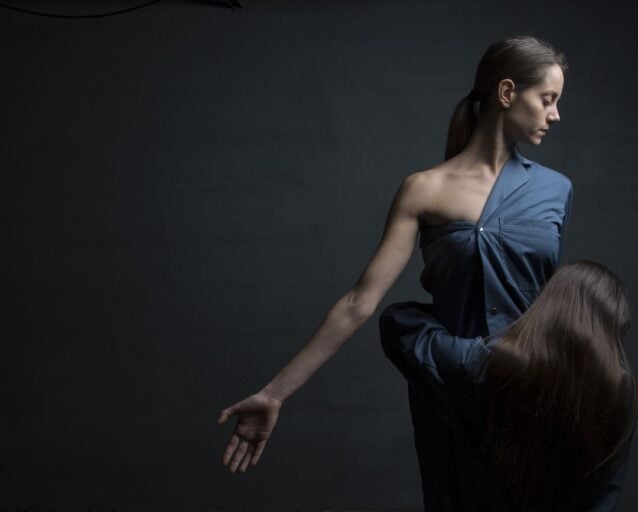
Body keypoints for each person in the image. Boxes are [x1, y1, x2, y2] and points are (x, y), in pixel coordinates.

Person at [217, 34, 589, 508]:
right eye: (548, 100)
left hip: (530, 386)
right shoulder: (423, 190)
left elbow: (548, 301)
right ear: (507, 93)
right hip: (452, 388)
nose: (555, 115)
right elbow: (359, 302)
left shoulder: (557, 190)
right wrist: (274, 395)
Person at [379, 260, 638, 511]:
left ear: (548, 305)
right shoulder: (620, 392)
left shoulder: (493, 362)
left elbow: (397, 323)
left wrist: (448, 305)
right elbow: (606, 494)